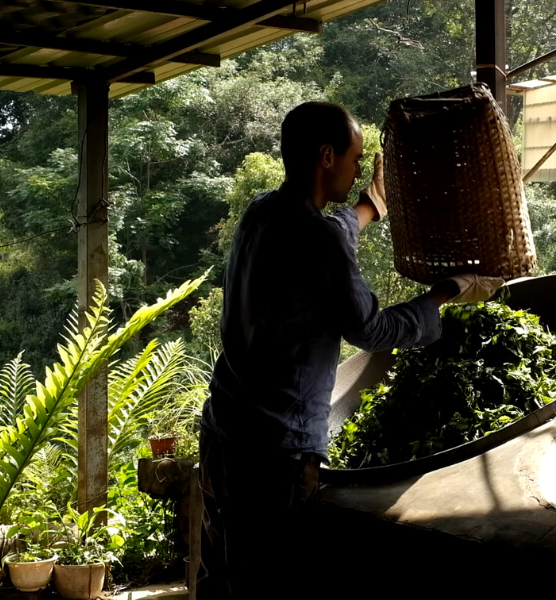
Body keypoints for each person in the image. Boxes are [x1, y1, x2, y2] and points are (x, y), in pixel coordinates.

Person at [196, 101, 501, 598]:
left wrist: (368, 208)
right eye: (356, 158)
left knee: (219, 575)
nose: (360, 167)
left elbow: (328, 232)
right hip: (274, 455)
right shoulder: (318, 239)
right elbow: (372, 330)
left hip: (223, 435)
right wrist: (446, 292)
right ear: (326, 156)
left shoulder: (261, 213)